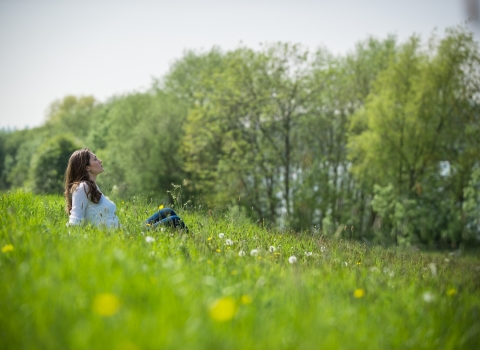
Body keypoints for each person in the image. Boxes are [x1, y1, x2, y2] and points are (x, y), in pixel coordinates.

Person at [64, 148, 187, 231]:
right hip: (120, 237)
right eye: (95, 159)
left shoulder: (92, 186)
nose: (100, 160)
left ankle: (191, 243)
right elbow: (75, 218)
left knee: (167, 211)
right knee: (174, 220)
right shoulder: (82, 188)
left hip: (124, 231)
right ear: (87, 167)